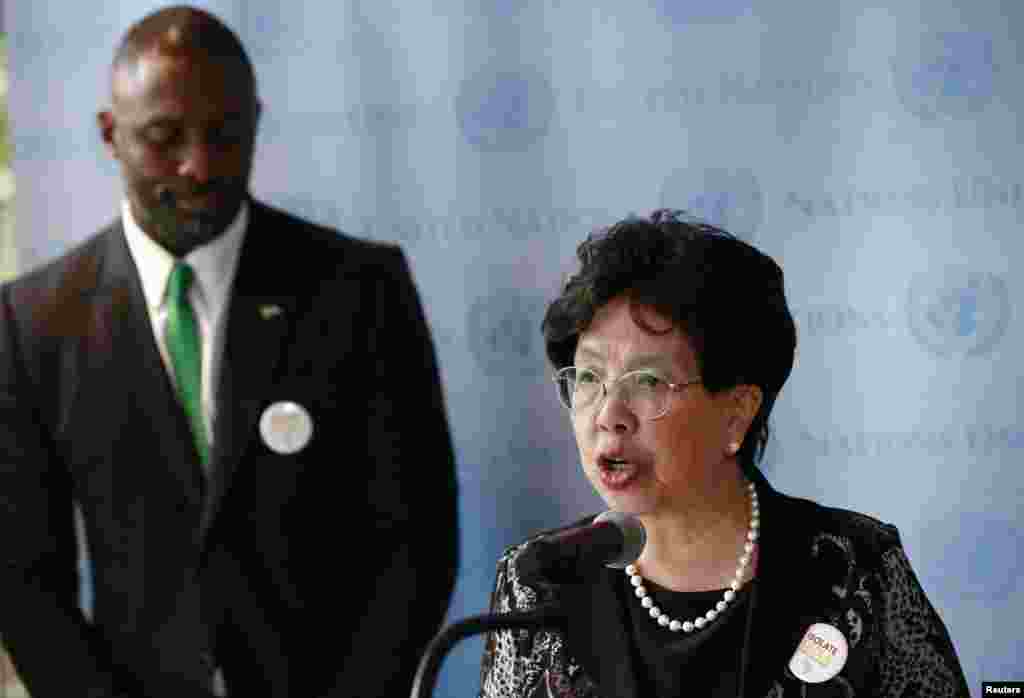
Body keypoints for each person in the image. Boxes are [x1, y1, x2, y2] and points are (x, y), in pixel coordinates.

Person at [0, 6, 458, 697]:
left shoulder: (358, 290)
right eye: (164, 137)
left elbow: (417, 540)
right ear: (109, 134)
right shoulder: (33, 322)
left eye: (225, 134)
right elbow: (24, 577)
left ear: (256, 123)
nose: (198, 165)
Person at [479, 210, 968, 697]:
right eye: (588, 377)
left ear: (736, 413)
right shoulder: (539, 580)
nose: (609, 414)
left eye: (647, 381)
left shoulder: (854, 568)